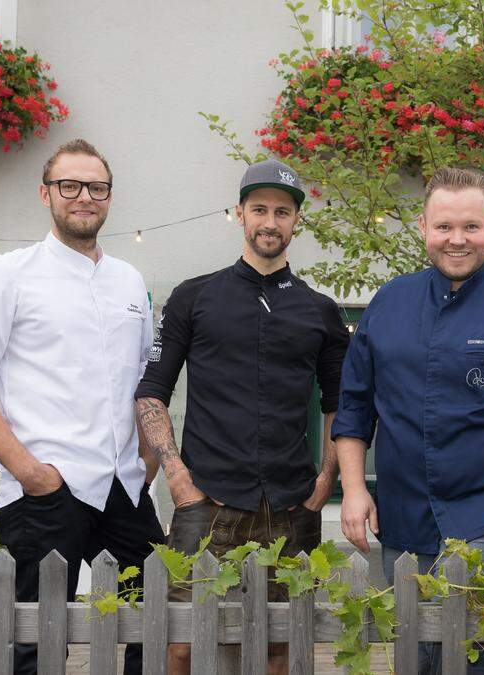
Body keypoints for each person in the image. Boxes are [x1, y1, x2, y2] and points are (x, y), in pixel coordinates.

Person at [332, 166, 484, 674]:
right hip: (402, 517)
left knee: (469, 657)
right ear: (423, 227)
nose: (457, 240)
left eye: (471, 226)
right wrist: (353, 488)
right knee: (414, 654)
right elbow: (354, 406)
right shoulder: (388, 302)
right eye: (445, 227)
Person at [0, 139, 164, 675]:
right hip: (47, 489)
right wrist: (32, 475)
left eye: (96, 187)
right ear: (46, 194)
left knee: (157, 626)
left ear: (109, 197)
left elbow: (144, 384)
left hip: (125, 488)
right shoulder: (5, 274)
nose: (84, 196)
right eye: (70, 185)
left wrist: (149, 461)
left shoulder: (131, 281)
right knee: (37, 645)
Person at [134, 158, 349, 675]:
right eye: (259, 209)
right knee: (181, 642)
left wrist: (326, 481)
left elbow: (341, 404)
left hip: (291, 505)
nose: (270, 222)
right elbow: (151, 393)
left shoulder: (320, 311)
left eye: (282, 211)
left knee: (283, 642)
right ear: (239, 214)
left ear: (297, 221)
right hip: (206, 501)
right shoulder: (194, 296)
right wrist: (178, 478)